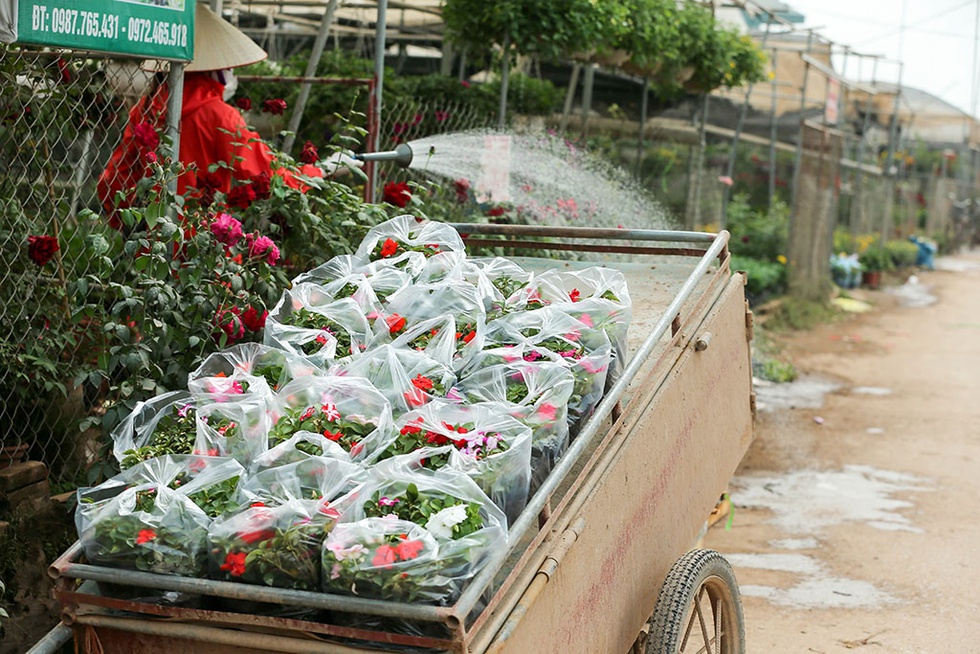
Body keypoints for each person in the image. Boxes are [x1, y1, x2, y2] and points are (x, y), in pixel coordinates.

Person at [98, 4, 357, 220]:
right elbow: (265, 175)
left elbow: (112, 183)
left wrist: (134, 225)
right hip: (203, 249)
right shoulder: (218, 115)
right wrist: (321, 170)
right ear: (216, 68)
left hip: (151, 249)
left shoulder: (145, 111)